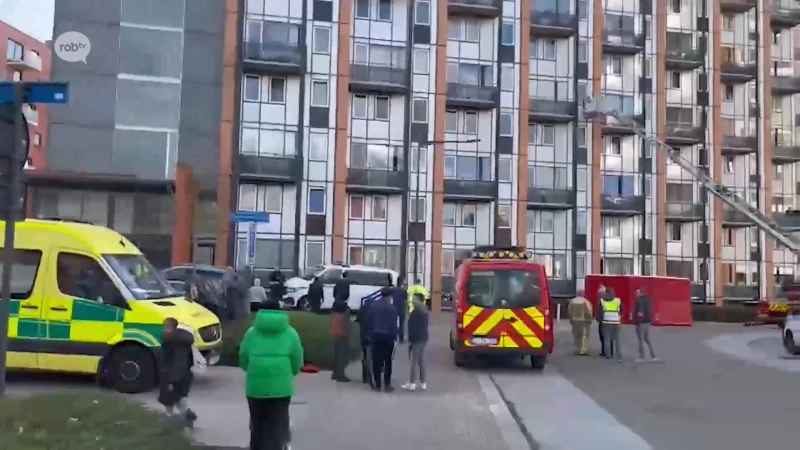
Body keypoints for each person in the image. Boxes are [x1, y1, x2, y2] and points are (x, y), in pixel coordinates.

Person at [239, 300, 303, 450]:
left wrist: (252, 370)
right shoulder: (290, 333)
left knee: (257, 425)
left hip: (256, 387)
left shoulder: (251, 333)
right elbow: (297, 360)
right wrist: (290, 373)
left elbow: (242, 358)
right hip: (281, 387)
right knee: (278, 423)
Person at [158, 318, 198, 425]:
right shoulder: (181, 340)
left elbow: (177, 362)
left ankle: (176, 419)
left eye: (166, 327)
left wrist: (170, 380)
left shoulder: (173, 343)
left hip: (174, 375)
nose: (164, 329)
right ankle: (186, 417)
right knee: (180, 397)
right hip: (184, 374)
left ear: (172, 328)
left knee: (171, 398)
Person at [367, 287, 398, 392]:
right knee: (388, 362)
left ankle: (378, 385)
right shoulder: (392, 308)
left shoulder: (373, 306)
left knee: (376, 361)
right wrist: (395, 336)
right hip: (388, 337)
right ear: (389, 296)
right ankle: (387, 385)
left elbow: (369, 321)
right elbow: (394, 324)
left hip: (376, 336)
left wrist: (370, 335)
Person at [402, 296, 429, 391]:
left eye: (414, 299)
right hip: (423, 338)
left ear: (418, 300)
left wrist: (410, 339)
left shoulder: (416, 311)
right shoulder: (424, 310)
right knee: (421, 361)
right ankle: (423, 382)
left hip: (416, 339)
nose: (412, 301)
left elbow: (413, 326)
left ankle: (412, 383)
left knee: (414, 361)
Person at [329, 296, 352, 382]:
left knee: (336, 355)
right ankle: (340, 375)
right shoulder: (344, 315)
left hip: (335, 335)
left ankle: (335, 373)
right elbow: (347, 326)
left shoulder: (333, 314)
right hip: (343, 336)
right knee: (342, 357)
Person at [356, 290, 375, 386]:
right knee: (373, 355)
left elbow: (358, 319)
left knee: (364, 355)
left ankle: (364, 377)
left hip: (363, 335)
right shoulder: (374, 309)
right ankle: (373, 375)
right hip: (372, 335)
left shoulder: (362, 308)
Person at [633, 288, 657, 362]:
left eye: (637, 292)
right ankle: (653, 356)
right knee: (647, 339)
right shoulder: (648, 300)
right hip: (647, 322)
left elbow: (640, 312)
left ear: (641, 293)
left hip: (641, 323)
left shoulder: (639, 301)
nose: (636, 294)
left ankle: (642, 357)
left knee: (641, 340)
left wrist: (637, 321)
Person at [567, 289, 593, 356]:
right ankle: (583, 350)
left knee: (576, 335)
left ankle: (576, 349)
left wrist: (571, 319)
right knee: (584, 335)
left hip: (575, 320)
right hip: (583, 321)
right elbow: (588, 311)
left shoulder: (572, 301)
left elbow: (569, 310)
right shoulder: (585, 301)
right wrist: (590, 318)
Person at [599, 289, 623, 362]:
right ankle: (619, 355)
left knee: (607, 339)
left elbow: (600, 312)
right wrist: (619, 317)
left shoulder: (602, 301)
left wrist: (600, 320)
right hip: (616, 322)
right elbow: (621, 310)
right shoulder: (618, 300)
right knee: (617, 340)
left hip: (606, 322)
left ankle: (608, 355)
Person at [596, 284, 612, 357]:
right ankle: (609, 351)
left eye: (600, 293)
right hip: (611, 320)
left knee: (603, 336)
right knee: (608, 337)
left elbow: (600, 311)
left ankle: (605, 351)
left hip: (604, 321)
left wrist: (598, 318)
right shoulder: (613, 299)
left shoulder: (602, 301)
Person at [392, 276, 408, 343]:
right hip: (401, 308)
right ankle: (401, 339)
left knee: (393, 323)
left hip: (394, 308)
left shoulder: (393, 289)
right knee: (402, 324)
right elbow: (406, 298)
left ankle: (394, 337)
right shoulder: (403, 290)